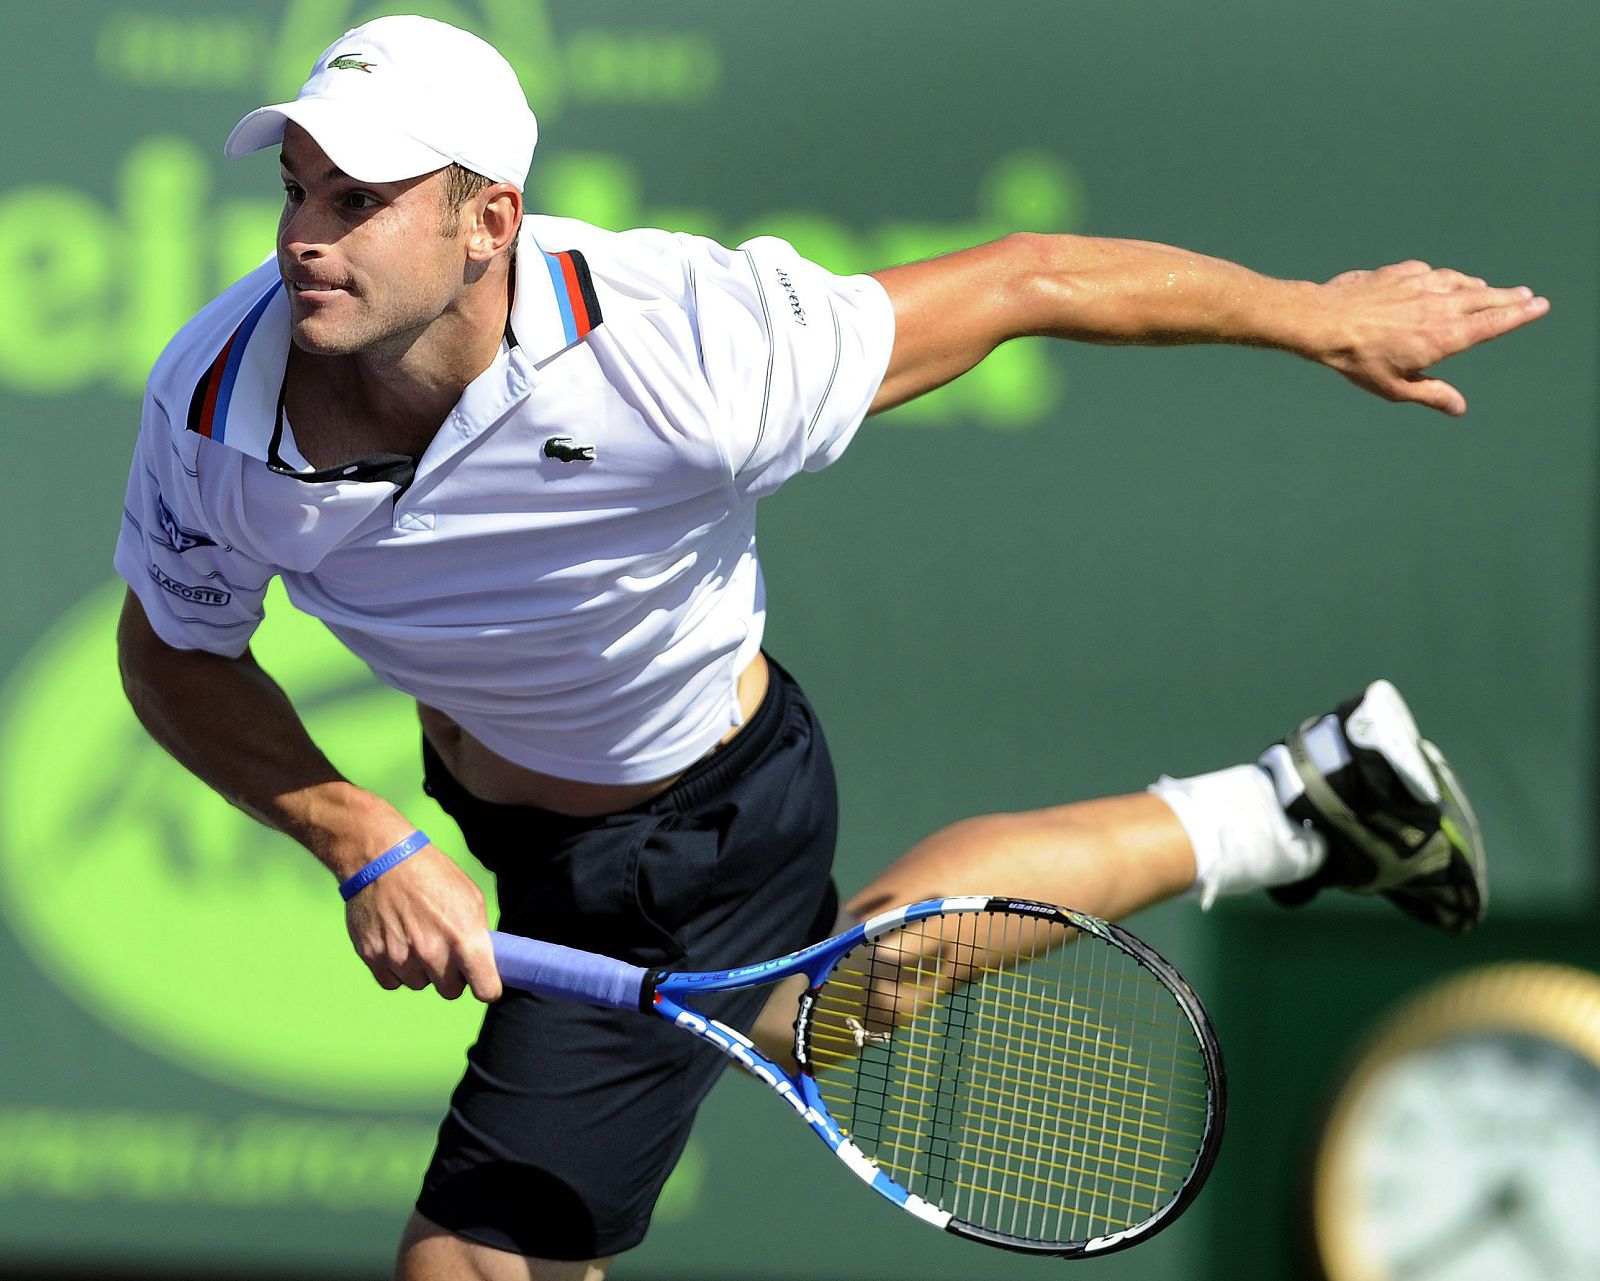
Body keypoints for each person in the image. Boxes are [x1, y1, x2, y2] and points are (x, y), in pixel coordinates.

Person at [112, 15, 1543, 1281]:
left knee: (474, 1259)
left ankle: (1283, 810)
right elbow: (174, 650)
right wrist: (360, 831)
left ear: (488, 222)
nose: (306, 236)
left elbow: (1029, 278)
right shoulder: (212, 404)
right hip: (518, 819)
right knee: (828, 1009)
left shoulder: (688, 351)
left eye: (360, 200)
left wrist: (1319, 315)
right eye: (296, 187)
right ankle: (1297, 804)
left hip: (696, 831)